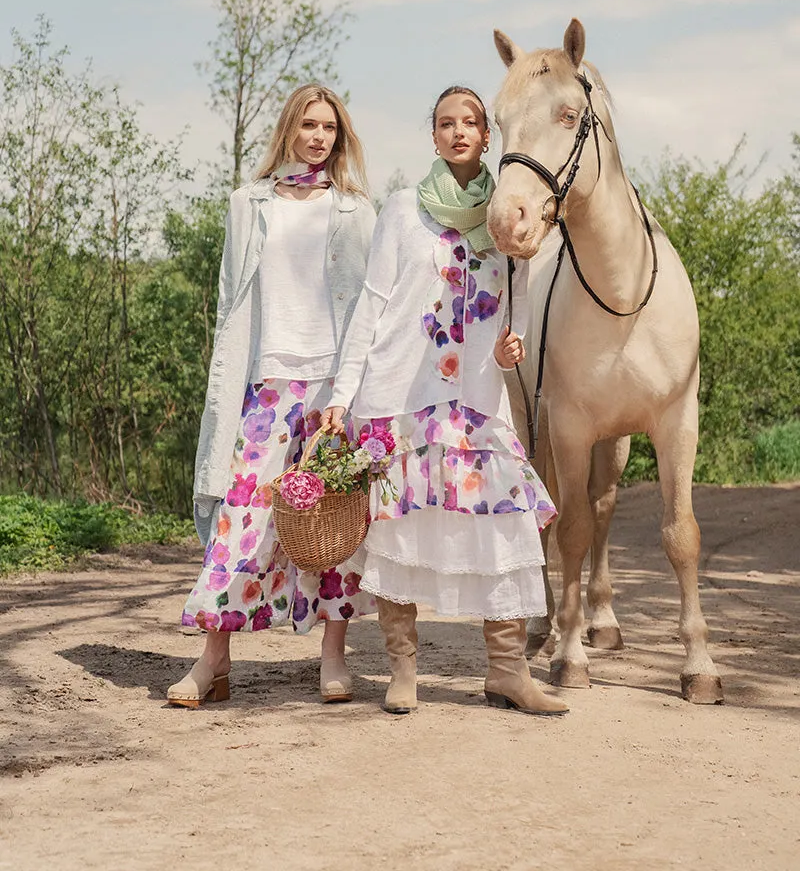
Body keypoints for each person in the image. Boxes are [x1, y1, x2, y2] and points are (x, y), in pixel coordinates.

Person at [321, 86, 568, 717]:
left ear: (488, 136)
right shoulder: (403, 210)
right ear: (432, 136)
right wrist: (343, 394)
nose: (458, 131)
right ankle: (402, 670)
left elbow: (511, 303)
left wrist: (509, 344)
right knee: (400, 532)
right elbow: (372, 304)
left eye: (471, 122)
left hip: (478, 398)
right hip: (403, 395)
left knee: (505, 526)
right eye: (445, 123)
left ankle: (508, 672)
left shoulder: (509, 215)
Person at [168, 85, 377, 708]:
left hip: (330, 392)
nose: (319, 137)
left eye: (330, 129)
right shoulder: (247, 204)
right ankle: (213, 660)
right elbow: (231, 300)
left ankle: (333, 657)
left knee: (333, 523)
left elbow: (367, 309)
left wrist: (351, 392)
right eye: (309, 125)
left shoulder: (354, 210)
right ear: (289, 128)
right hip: (265, 384)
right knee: (242, 519)